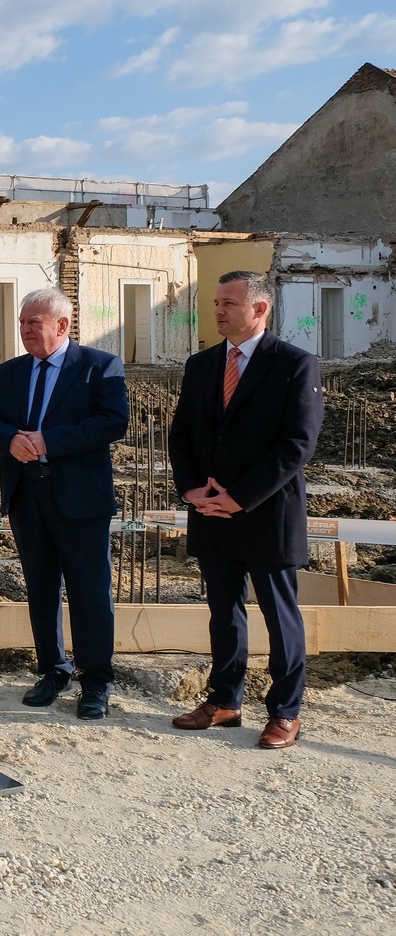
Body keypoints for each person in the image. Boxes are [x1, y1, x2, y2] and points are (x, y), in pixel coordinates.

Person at [167, 270, 323, 749]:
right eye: (216, 302)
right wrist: (192, 490)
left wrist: (239, 497)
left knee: (280, 615)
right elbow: (182, 434)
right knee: (223, 612)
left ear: (259, 309)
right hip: (210, 510)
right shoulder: (202, 365)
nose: (217, 310)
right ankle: (224, 700)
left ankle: (285, 711)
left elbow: (297, 444)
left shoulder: (294, 364)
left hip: (267, 512)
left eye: (228, 303)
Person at [0, 289, 128, 719]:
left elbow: (113, 422)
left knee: (89, 592)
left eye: (34, 323)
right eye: (22, 322)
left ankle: (95, 682)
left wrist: (49, 442)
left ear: (62, 325)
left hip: (80, 499)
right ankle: (52, 671)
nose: (24, 330)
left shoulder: (99, 366)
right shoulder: (10, 372)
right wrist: (10, 439)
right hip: (27, 496)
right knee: (41, 588)